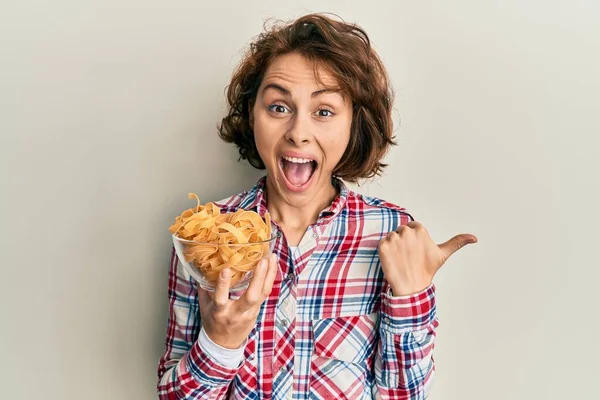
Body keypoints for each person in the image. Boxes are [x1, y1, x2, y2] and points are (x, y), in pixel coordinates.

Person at [157, 13, 477, 400]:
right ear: (252, 115)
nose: (298, 132)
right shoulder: (204, 235)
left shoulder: (390, 234)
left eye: (324, 111)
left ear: (353, 124)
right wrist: (220, 341)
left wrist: (411, 298)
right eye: (278, 107)